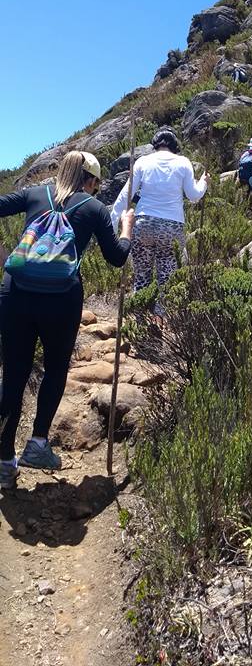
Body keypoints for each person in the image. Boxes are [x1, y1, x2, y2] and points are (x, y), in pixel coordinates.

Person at [0, 151, 134, 489]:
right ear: (89, 179)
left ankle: (3, 462)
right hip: (61, 299)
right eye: (96, 182)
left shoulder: (33, 194)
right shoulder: (93, 209)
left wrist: (5, 256)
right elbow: (117, 258)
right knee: (57, 368)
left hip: (15, 291)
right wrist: (126, 229)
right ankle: (38, 444)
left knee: (14, 373)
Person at [111, 128, 208, 313]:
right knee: (167, 278)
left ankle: (139, 322)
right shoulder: (183, 162)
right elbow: (194, 195)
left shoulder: (143, 161)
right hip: (171, 226)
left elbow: (126, 194)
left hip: (143, 223)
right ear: (174, 146)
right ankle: (159, 320)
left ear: (155, 145)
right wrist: (204, 181)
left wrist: (113, 222)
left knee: (142, 275)